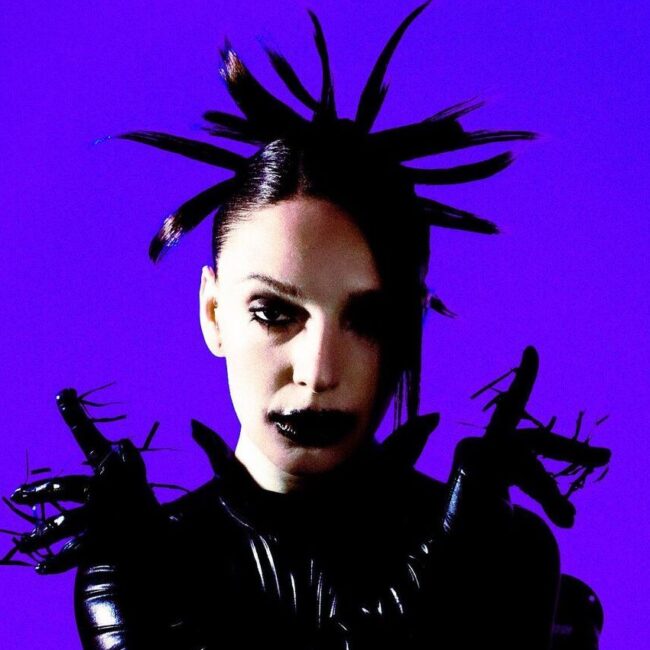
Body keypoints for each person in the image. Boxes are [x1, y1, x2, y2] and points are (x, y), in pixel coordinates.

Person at [3, 3, 611, 649]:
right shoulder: (139, 570)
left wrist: (470, 580)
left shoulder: (498, 555)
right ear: (213, 314)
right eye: (274, 313)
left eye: (367, 319)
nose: (318, 371)